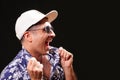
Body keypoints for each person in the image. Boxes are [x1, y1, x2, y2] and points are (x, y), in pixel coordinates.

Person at [0, 9, 77, 80]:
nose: (53, 34)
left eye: (51, 29)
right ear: (28, 36)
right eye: (46, 29)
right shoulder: (10, 74)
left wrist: (68, 68)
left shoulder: (58, 55)